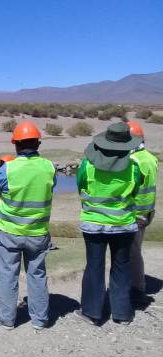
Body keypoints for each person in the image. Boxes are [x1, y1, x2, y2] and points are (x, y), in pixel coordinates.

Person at [74, 122, 142, 326]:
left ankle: (92, 312)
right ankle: (122, 314)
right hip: (123, 225)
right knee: (121, 266)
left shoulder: (87, 165)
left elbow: (81, 187)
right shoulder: (133, 168)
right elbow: (135, 192)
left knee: (94, 266)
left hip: (93, 225)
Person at [0, 121, 56, 331]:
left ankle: (7, 319)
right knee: (37, 274)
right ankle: (39, 320)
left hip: (9, 230)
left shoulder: (8, 168)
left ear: (16, 145)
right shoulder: (49, 167)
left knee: (7, 274)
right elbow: (50, 188)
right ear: (38, 143)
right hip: (37, 232)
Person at [128, 121, 158, 306]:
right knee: (135, 250)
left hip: (135, 213)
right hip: (147, 212)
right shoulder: (150, 158)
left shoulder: (134, 161)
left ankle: (137, 290)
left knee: (132, 253)